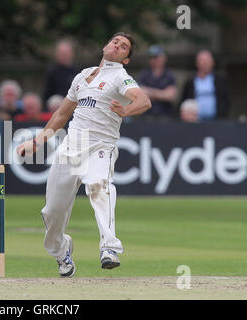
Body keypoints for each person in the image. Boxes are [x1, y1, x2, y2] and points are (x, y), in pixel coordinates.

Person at [17, 32, 151, 277]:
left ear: (126, 59)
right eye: (115, 42)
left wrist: (126, 111)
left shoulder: (121, 77)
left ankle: (109, 248)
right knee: (53, 212)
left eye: (124, 47)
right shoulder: (81, 76)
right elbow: (61, 115)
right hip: (71, 147)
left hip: (101, 145)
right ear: (105, 45)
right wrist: (37, 142)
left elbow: (143, 101)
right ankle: (61, 251)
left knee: (99, 187)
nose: (118, 46)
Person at [181, 50, 230, 120]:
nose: (205, 63)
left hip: (217, 122)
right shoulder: (190, 82)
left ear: (213, 63)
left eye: (207, 61)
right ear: (197, 63)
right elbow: (184, 101)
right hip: (195, 123)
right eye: (202, 60)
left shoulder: (220, 81)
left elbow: (226, 100)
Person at [137, 45, 177, 119]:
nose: (153, 60)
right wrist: (162, 94)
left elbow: (171, 96)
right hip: (146, 115)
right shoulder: (144, 74)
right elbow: (140, 94)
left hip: (166, 115)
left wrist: (150, 93)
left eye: (155, 57)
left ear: (164, 58)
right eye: (151, 57)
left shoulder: (169, 75)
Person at [42, 40, 78, 110]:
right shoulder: (52, 72)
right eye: (61, 53)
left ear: (72, 54)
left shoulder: (77, 72)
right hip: (56, 106)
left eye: (65, 53)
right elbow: (47, 94)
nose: (63, 55)